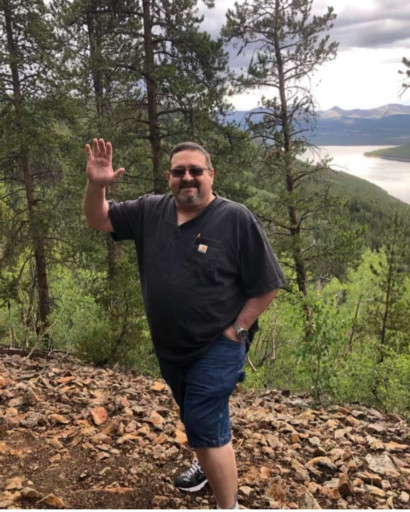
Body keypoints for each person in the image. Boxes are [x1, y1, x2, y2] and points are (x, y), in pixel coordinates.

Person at [83, 138, 286, 509]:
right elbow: (100, 219)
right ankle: (208, 464)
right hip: (171, 348)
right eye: (179, 172)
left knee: (201, 421)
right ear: (169, 177)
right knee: (200, 417)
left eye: (196, 170)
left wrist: (237, 331)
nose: (187, 177)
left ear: (211, 175)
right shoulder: (150, 210)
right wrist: (97, 186)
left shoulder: (235, 218)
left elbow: (268, 284)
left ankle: (229, 506)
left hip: (219, 343)